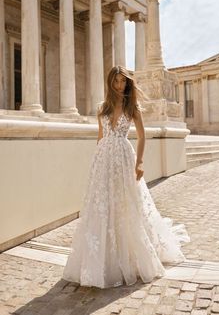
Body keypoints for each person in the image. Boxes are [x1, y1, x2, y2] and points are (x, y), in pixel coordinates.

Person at [62, 65, 190, 288]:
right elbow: (100, 137)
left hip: (123, 158)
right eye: (116, 81)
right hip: (103, 160)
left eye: (123, 81)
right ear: (110, 82)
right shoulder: (102, 108)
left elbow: (142, 137)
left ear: (128, 83)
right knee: (102, 205)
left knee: (126, 204)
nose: (120, 85)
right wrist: (97, 163)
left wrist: (139, 162)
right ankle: (100, 260)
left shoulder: (133, 107)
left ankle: (129, 254)